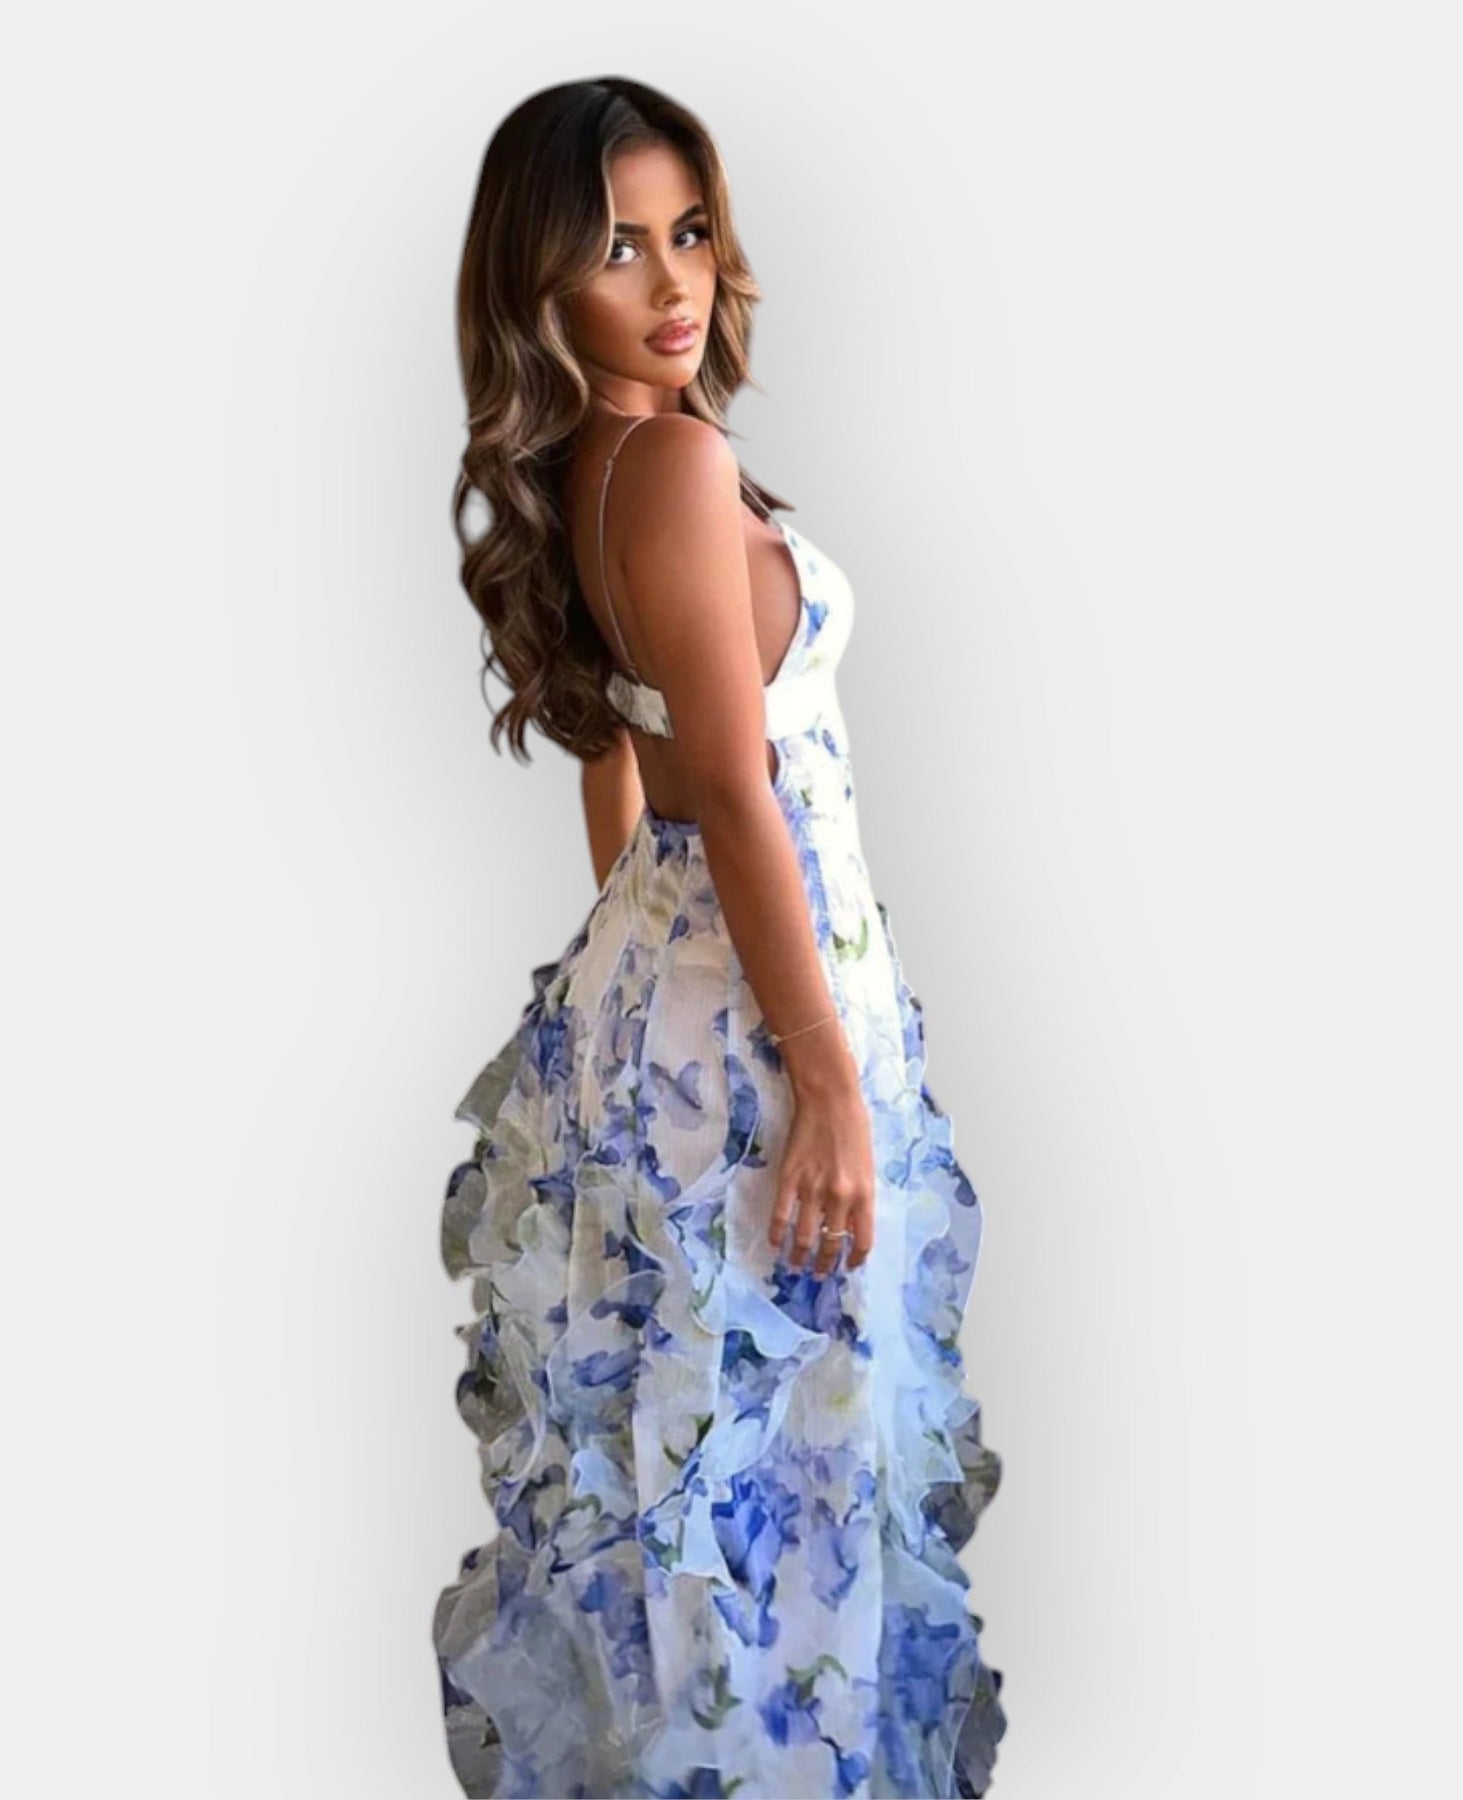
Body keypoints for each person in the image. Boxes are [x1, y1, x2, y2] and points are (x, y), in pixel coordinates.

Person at [432, 76, 1008, 1799]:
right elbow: (739, 793)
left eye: (689, 231)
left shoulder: (594, 463)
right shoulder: (673, 463)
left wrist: (637, 981)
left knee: (693, 1464)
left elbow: (622, 755)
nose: (674, 280)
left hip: (687, 1000)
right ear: (540, 279)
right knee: (776, 1475)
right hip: (759, 1022)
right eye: (620, 247)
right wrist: (819, 1074)